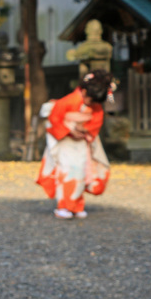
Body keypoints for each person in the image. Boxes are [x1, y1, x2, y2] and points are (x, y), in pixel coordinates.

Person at [36, 70, 114, 219]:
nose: (90, 103)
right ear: (83, 91)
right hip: (66, 142)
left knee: (83, 172)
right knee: (67, 172)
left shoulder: (95, 106)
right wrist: (70, 129)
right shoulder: (68, 101)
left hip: (81, 143)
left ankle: (78, 206)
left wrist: (84, 130)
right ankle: (64, 206)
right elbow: (54, 119)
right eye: (89, 99)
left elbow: (96, 122)